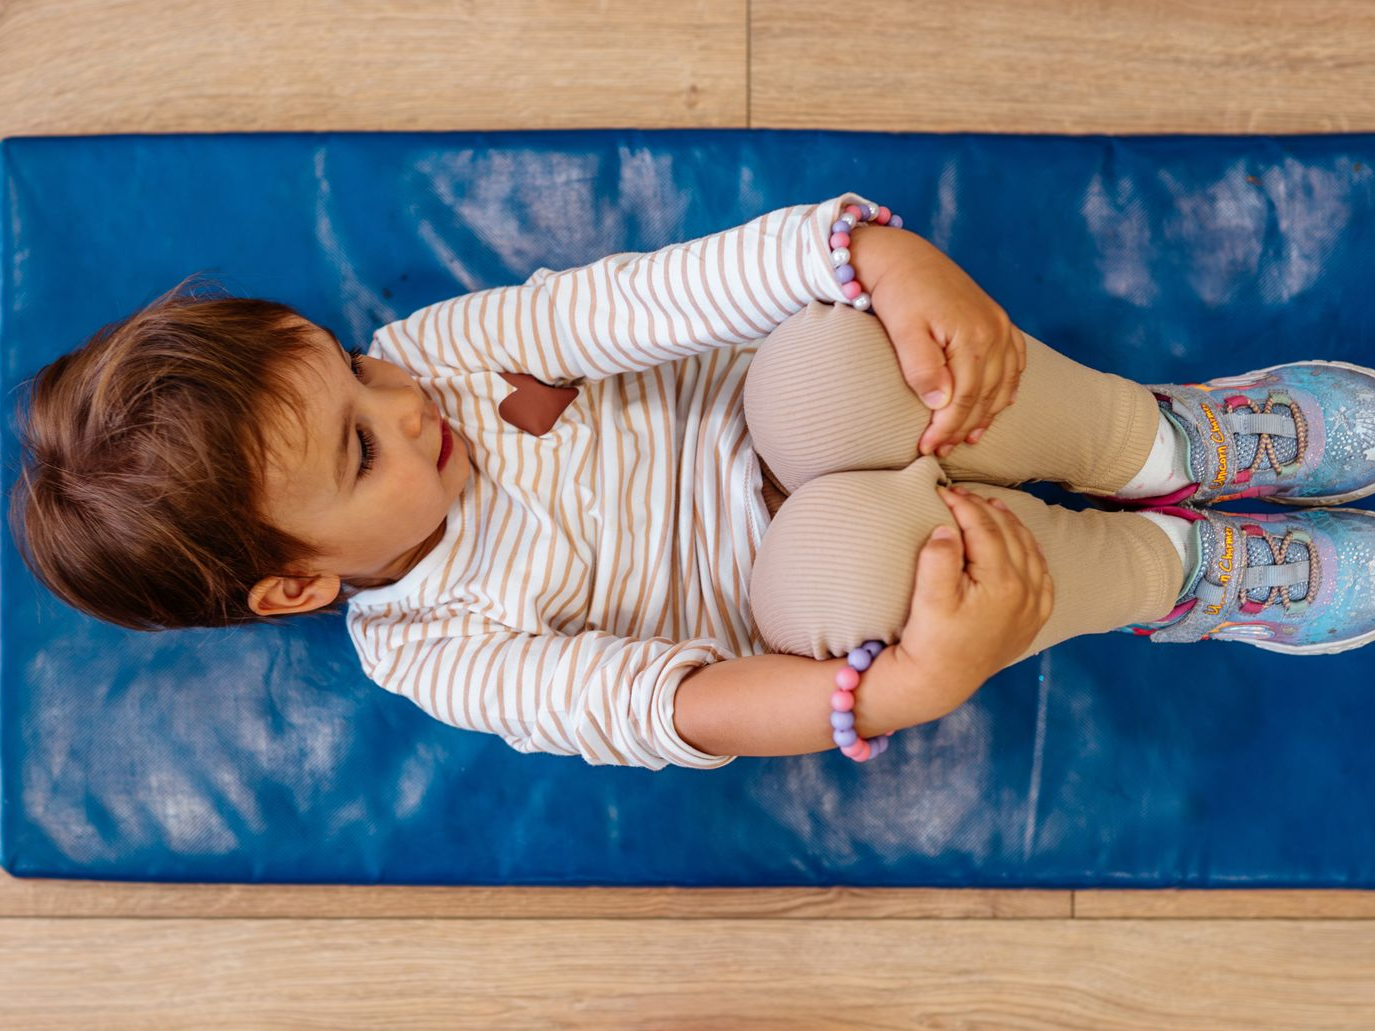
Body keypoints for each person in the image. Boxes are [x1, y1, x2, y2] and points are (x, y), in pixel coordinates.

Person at [10, 194, 1375, 773]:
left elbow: (658, 296)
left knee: (822, 365)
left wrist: (869, 260)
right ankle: (1174, 572)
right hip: (823, 580)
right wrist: (899, 688)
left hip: (812, 419)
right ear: (300, 578)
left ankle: (1167, 446)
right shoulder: (430, 650)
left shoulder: (445, 356)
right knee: (853, 556)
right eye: (360, 445)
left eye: (355, 364)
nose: (405, 399)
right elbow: (665, 705)